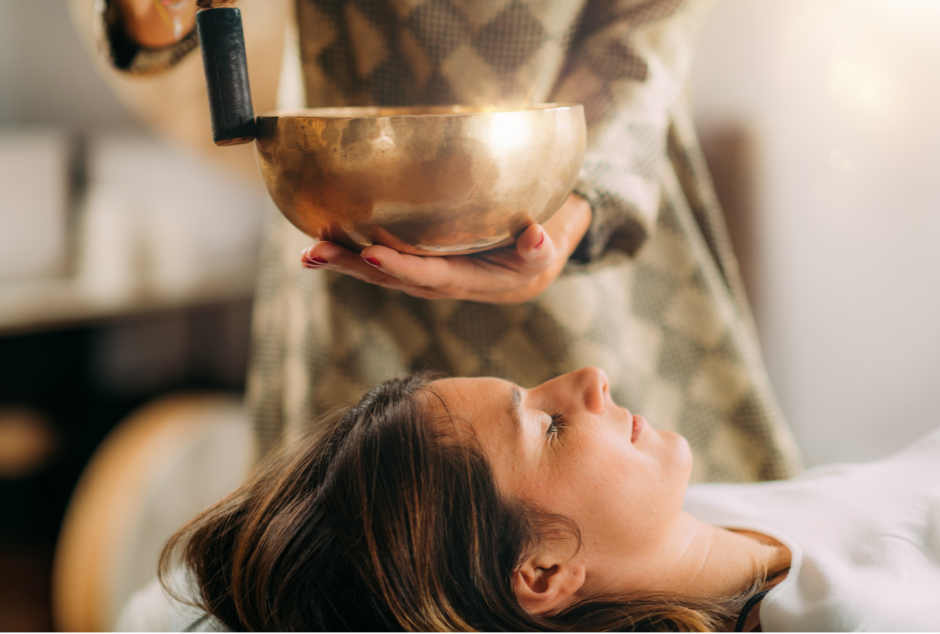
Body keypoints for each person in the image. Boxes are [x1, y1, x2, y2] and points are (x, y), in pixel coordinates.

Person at [91, 0, 801, 481]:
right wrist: (154, 9)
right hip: (343, 244)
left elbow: (649, 27)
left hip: (580, 238)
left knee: (645, 552)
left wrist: (571, 214)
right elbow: (154, 30)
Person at [119, 367, 940, 631]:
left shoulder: (677, 535)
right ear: (543, 571)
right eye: (547, 427)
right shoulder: (870, 611)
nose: (588, 380)